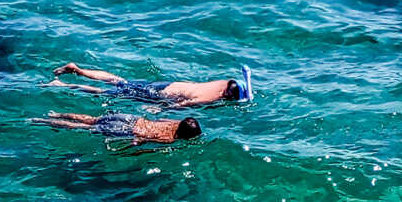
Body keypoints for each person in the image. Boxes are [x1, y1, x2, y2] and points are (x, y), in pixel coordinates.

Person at [45, 62, 253, 107]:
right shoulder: (214, 97)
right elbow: (185, 104)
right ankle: (62, 86)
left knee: (119, 81)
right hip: (161, 95)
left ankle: (78, 70)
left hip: (168, 84)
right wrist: (158, 108)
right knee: (108, 93)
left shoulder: (223, 82)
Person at [32, 111, 202, 144]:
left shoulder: (175, 122)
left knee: (91, 120)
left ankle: (55, 115)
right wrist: (129, 148)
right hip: (128, 131)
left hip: (131, 118)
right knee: (82, 128)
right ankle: (42, 121)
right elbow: (142, 140)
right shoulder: (169, 139)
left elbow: (160, 118)